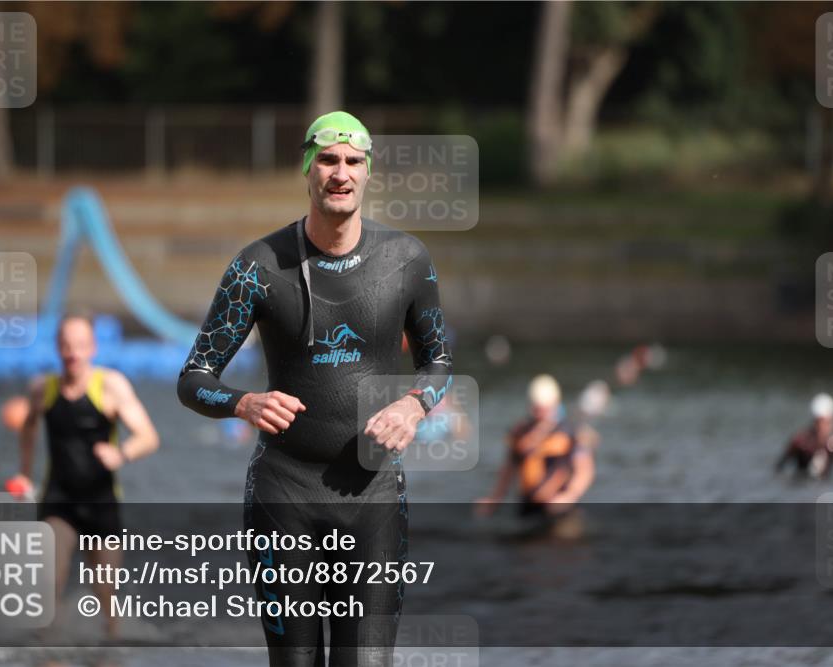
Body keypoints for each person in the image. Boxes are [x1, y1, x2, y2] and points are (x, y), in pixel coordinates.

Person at [177, 111, 452, 666]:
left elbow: (439, 360)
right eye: (328, 159)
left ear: (368, 172)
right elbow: (193, 378)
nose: (340, 172)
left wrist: (415, 403)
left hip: (373, 498)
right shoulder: (257, 267)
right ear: (307, 169)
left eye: (353, 161)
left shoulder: (406, 260)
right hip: (284, 496)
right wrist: (243, 402)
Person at [11, 314, 160, 637]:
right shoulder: (43, 389)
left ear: (92, 347)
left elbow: (148, 436)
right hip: (58, 501)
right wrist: (24, 472)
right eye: (65, 346)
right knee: (48, 587)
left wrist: (121, 454)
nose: (72, 353)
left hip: (100, 503)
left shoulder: (110, 386)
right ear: (57, 348)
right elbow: (28, 425)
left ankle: (110, 649)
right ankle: (48, 657)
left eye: (79, 345)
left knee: (106, 597)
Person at [476, 374, 596, 519]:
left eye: (544, 409)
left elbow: (585, 470)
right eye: (537, 409)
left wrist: (569, 495)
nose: (540, 414)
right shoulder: (520, 434)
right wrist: (494, 499)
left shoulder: (570, 433)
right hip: (528, 506)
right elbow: (508, 470)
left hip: (559, 507)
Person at [775, 393, 833, 484]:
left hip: (825, 485)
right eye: (821, 422)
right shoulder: (800, 442)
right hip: (802, 485)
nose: (824, 427)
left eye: (828, 422)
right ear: (815, 422)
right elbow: (779, 468)